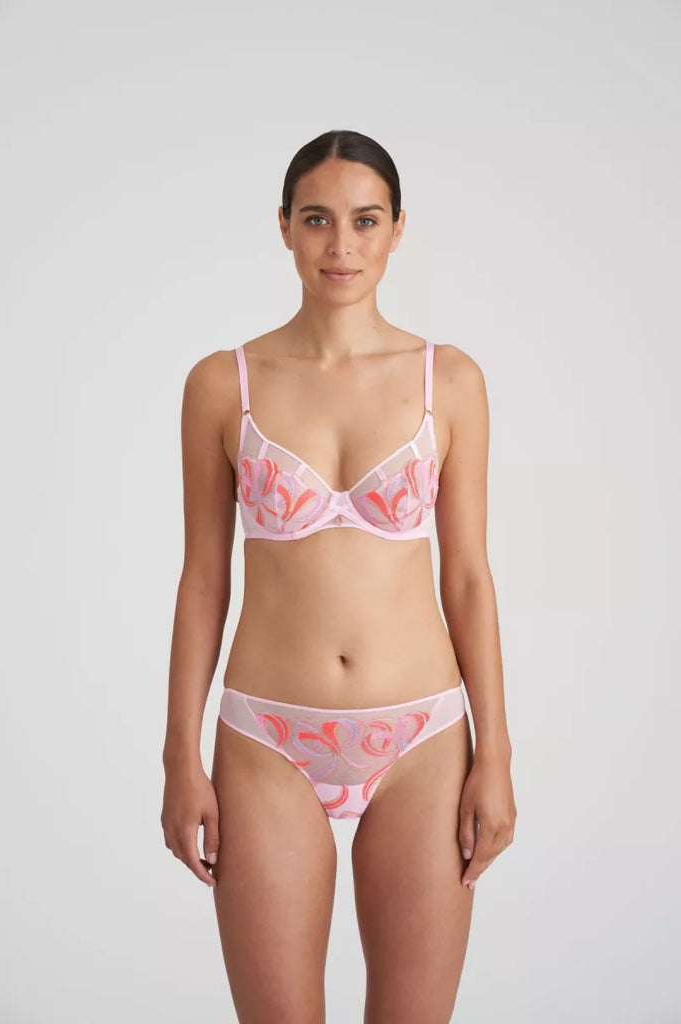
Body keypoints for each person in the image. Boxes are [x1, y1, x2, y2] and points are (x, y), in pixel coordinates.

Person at [161, 128, 516, 1023]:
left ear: (397, 229)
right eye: (317, 219)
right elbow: (202, 582)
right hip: (266, 740)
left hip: (422, 738)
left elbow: (468, 579)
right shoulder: (222, 384)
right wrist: (178, 757)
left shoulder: (449, 380)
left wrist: (497, 755)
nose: (341, 245)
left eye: (364, 220)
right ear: (283, 226)